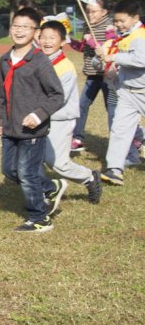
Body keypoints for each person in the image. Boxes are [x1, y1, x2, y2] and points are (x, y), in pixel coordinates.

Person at [0, 7, 64, 233]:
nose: (19, 30)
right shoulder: (5, 59)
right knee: (9, 171)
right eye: (16, 26)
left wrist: (38, 115)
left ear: (35, 33)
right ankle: (50, 185)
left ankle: (40, 218)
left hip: (33, 131)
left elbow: (57, 95)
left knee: (27, 173)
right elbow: (1, 92)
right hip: (10, 128)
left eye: (25, 27)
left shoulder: (39, 61)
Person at [38, 20, 102, 207]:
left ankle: (89, 177)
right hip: (40, 118)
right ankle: (43, 193)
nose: (47, 42)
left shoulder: (64, 67)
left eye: (52, 38)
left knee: (57, 163)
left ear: (62, 41)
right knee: (33, 159)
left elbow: (59, 99)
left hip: (59, 119)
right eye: (43, 37)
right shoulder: (38, 60)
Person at [100, 0, 145, 186]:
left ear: (135, 18)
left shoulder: (140, 36)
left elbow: (141, 60)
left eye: (122, 20)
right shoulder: (124, 35)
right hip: (127, 92)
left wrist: (113, 57)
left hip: (143, 91)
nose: (118, 24)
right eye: (115, 20)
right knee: (119, 129)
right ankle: (115, 170)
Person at [69, 0, 115, 152]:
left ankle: (127, 139)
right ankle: (77, 138)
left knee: (112, 109)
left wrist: (93, 43)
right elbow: (84, 48)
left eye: (93, 11)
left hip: (108, 75)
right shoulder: (88, 26)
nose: (89, 14)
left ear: (104, 12)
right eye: (88, 11)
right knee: (81, 105)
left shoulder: (110, 25)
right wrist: (69, 40)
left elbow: (111, 46)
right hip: (92, 75)